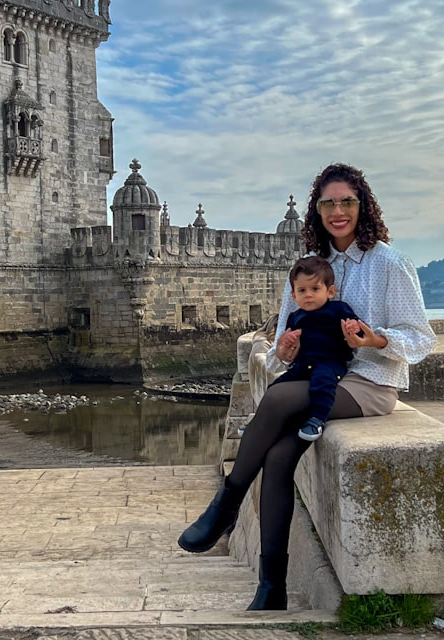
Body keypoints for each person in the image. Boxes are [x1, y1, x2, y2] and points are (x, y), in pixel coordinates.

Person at [177, 162, 436, 612]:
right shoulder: (307, 270)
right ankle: (270, 586)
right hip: (314, 376)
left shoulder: (389, 264)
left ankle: (228, 503)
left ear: (363, 206)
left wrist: (374, 339)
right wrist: (288, 348)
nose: (338, 211)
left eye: (347, 202)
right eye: (328, 203)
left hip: (369, 382)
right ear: (316, 210)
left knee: (277, 397)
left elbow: (420, 337)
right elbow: (279, 346)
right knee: (277, 459)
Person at [275, 254, 363, 441]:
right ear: (294, 295)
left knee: (322, 384)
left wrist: (354, 328)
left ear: (330, 292)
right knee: (276, 387)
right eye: (302, 290)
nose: (308, 295)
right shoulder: (295, 316)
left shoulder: (338, 309)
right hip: (303, 363)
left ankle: (317, 419)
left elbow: (358, 330)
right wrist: (287, 341)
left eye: (315, 289)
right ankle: (262, 418)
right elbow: (289, 344)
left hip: (330, 362)